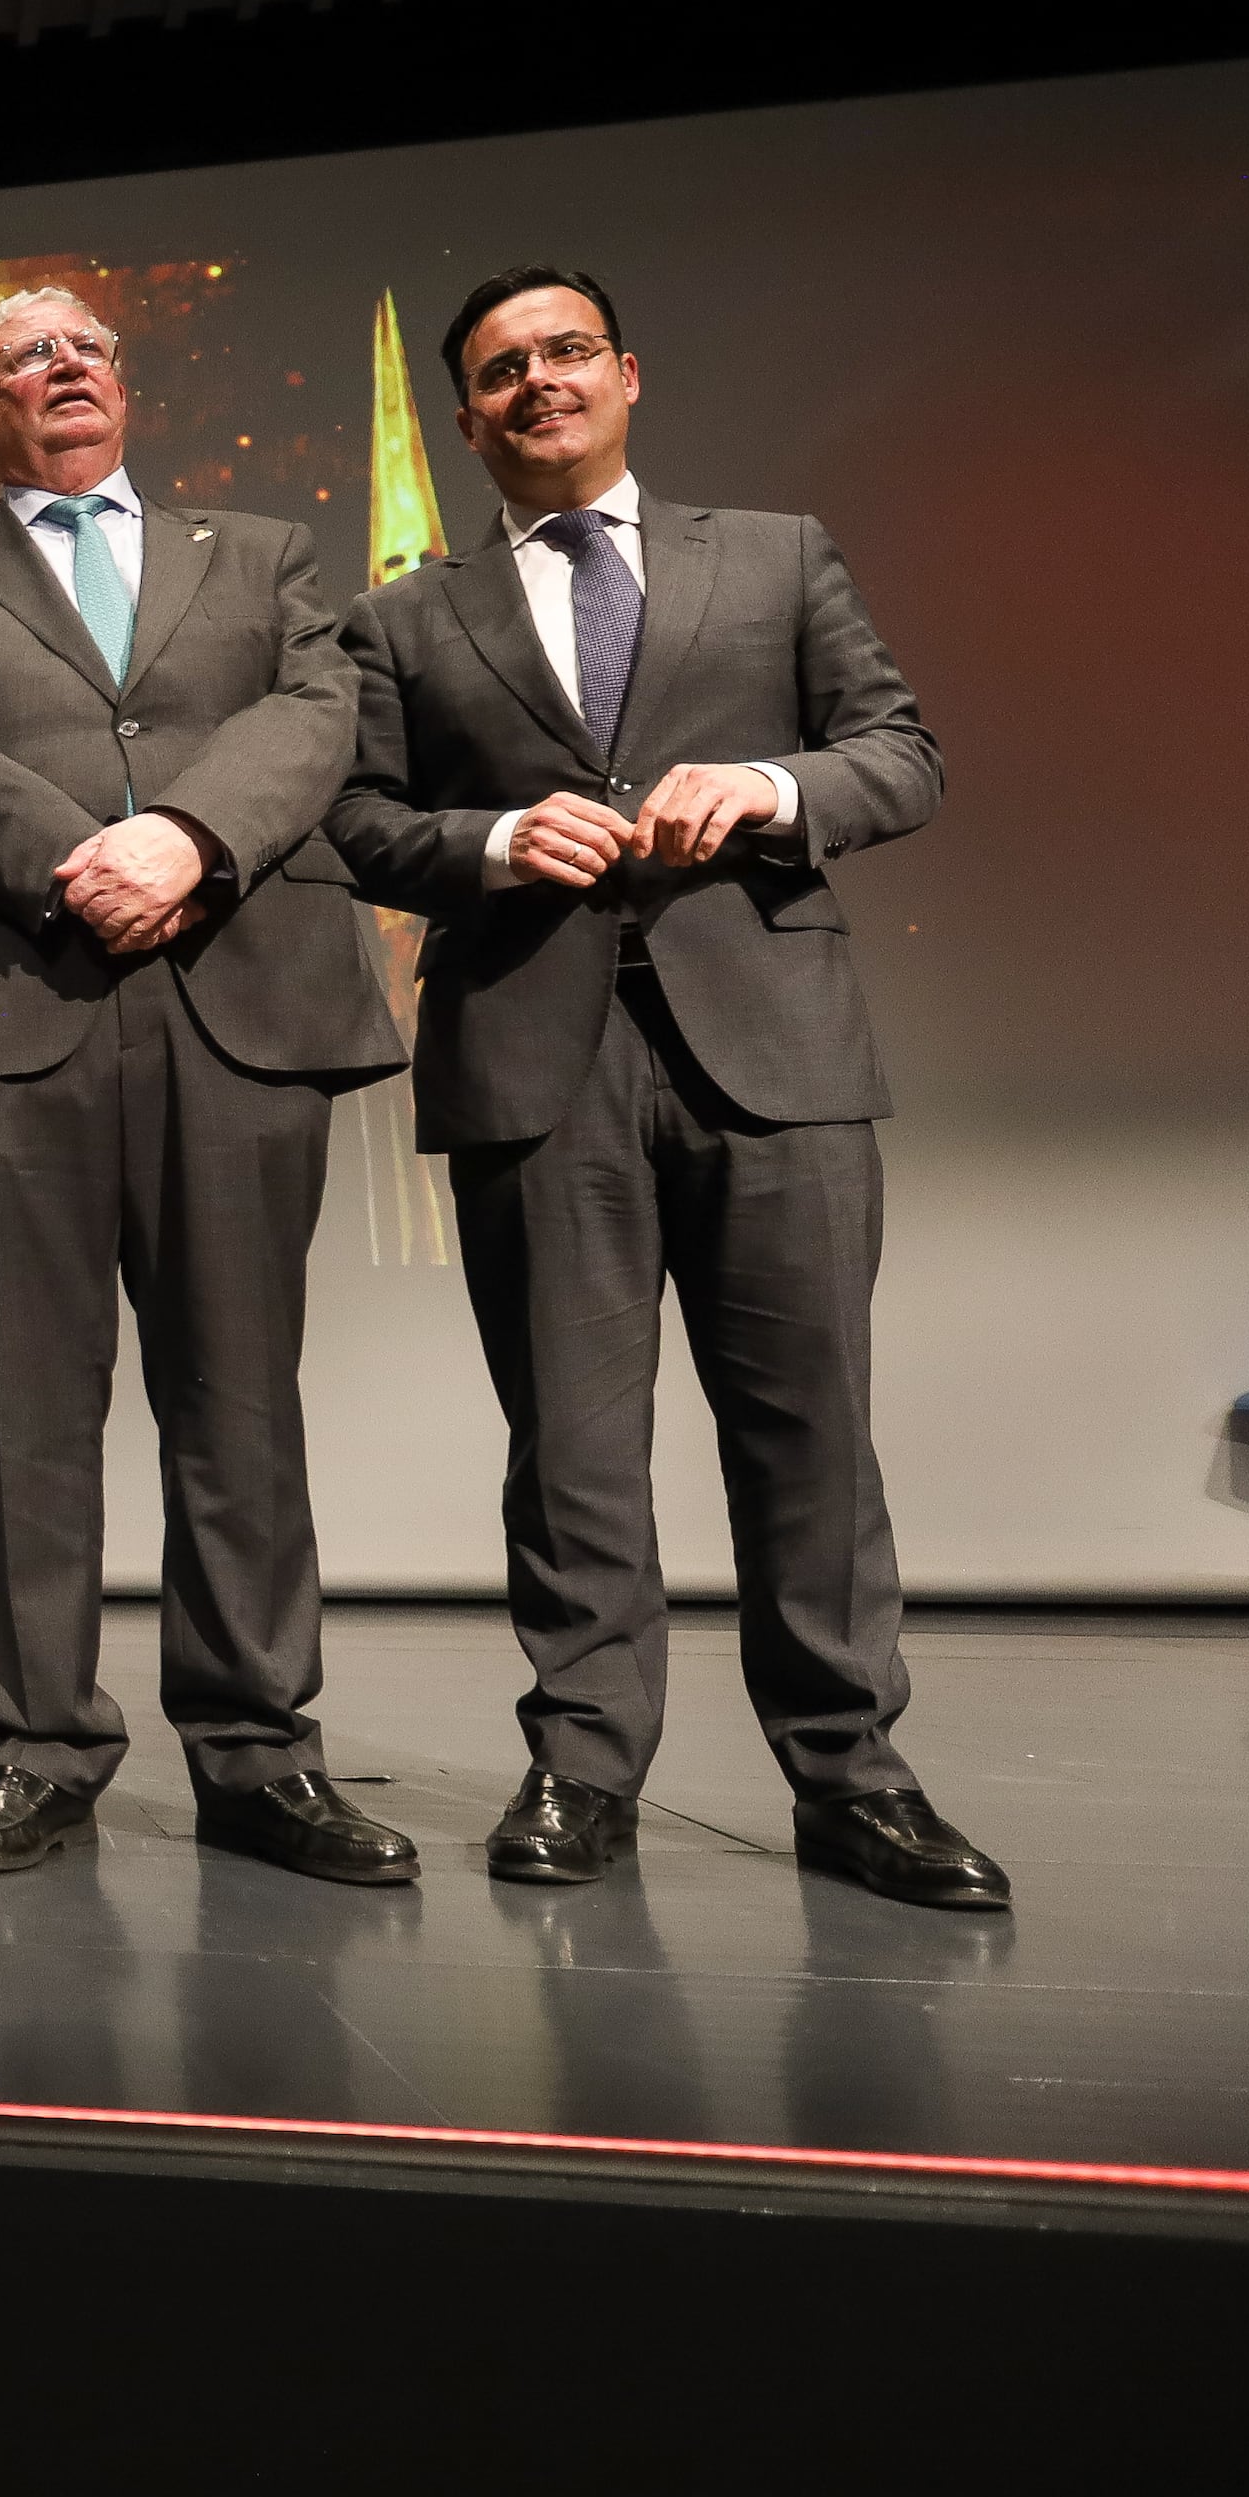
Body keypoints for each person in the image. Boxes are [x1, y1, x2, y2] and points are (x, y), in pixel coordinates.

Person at [328, 268, 1003, 1909]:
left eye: (565, 353)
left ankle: (855, 1779)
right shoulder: (406, 617)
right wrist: (491, 840)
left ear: (626, 374)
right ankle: (582, 1769)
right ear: (471, 415)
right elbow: (353, 819)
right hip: (530, 1059)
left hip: (771, 1054)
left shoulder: (774, 553)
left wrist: (771, 783)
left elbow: (899, 751)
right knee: (569, 1442)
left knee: (810, 1434)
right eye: (500, 370)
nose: (538, 383)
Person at [0, 286, 416, 1885]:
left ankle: (256, 1753)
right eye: (27, 357)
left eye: (89, 349)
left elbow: (320, 712)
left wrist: (192, 838)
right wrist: (77, 859)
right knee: (27, 1407)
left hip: (241, 994)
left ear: (123, 388)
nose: (66, 368)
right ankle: (37, 1748)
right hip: (7, 1004)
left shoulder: (266, 554)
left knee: (240, 1396)